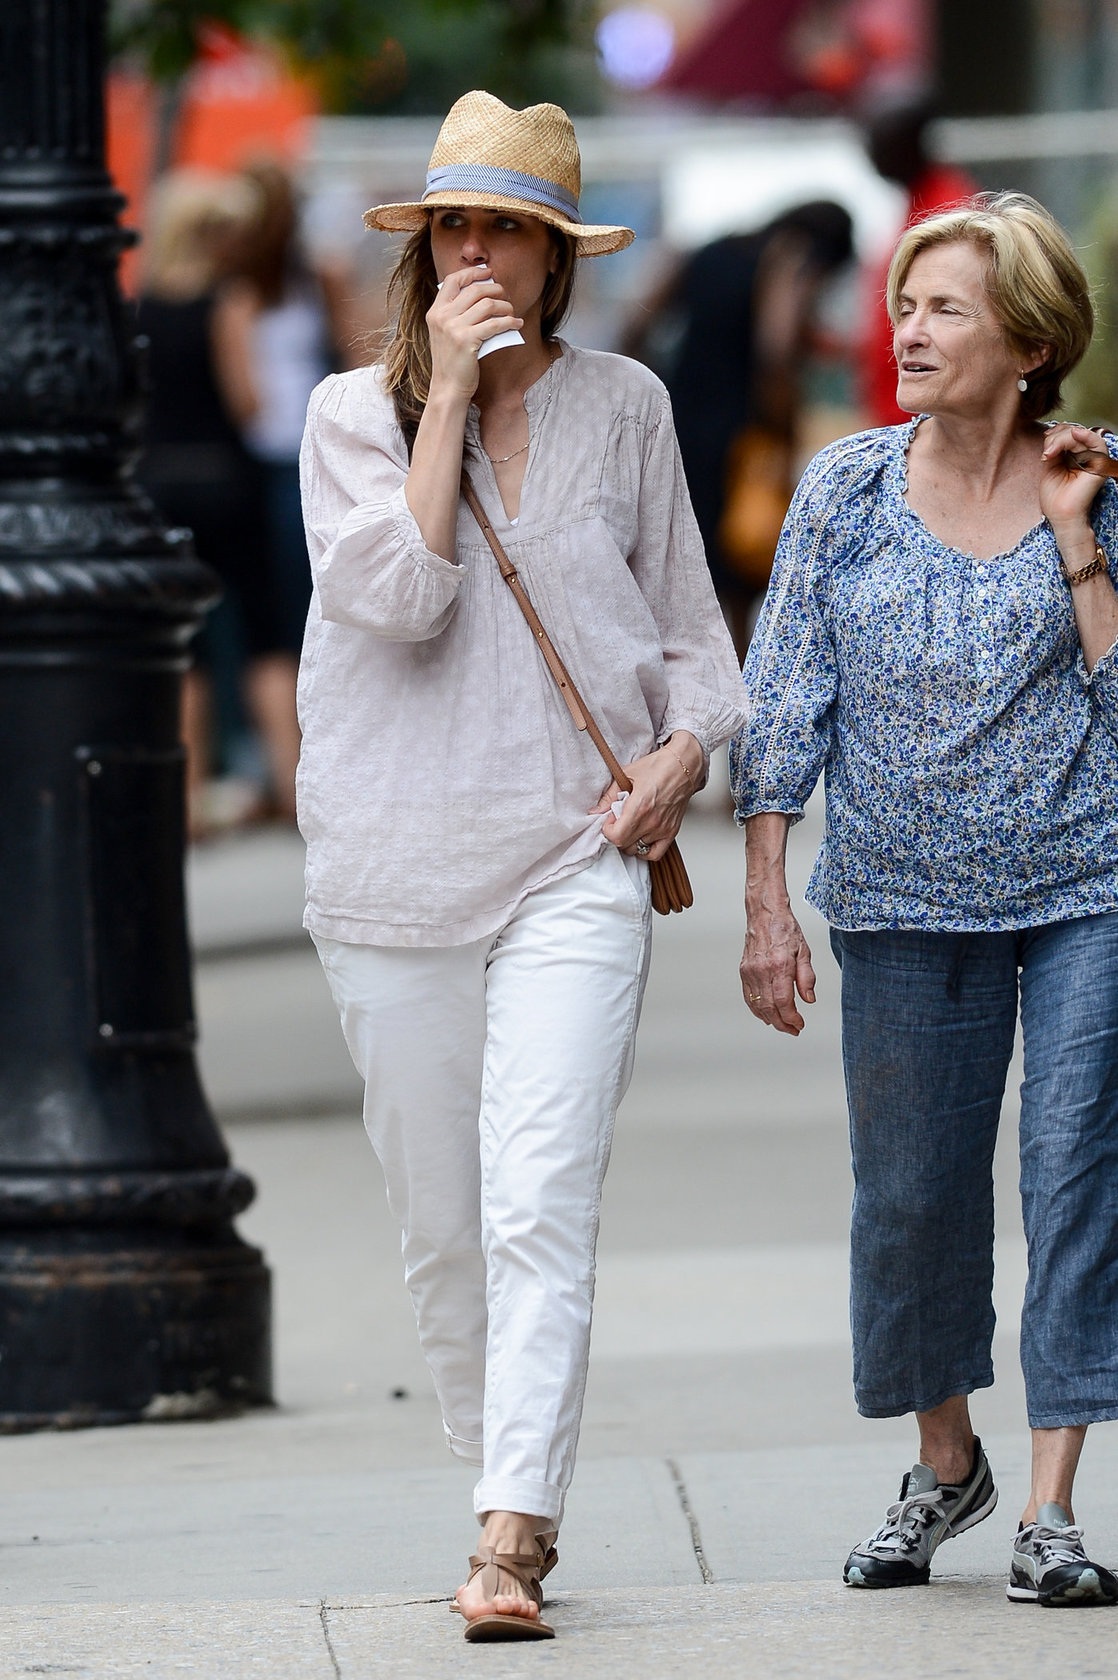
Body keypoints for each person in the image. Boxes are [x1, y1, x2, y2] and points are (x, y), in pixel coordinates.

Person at [297, 90, 745, 1641]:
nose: (477, 251)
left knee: (539, 1199)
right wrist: (442, 402)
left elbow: (694, 638)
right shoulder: (348, 418)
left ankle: (514, 1532)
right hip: (392, 872)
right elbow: (403, 601)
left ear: (559, 260)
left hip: (575, 853)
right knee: (444, 1231)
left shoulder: (627, 406)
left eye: (510, 231)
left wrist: (679, 759)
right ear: (421, 252)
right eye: (454, 228)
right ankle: (490, 1462)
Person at [732, 191, 1118, 1607]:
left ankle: (1051, 1510)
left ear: (1025, 339)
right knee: (908, 1201)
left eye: (943, 306)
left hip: (1085, 885)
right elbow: (780, 702)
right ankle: (943, 1463)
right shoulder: (842, 488)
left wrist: (1076, 535)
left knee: (1073, 1175)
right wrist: (766, 901)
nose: (906, 328)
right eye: (904, 304)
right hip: (895, 897)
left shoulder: (1099, 477)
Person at [623, 203, 854, 661]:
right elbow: (776, 347)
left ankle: (695, 677)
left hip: (682, 420)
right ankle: (745, 688)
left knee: (687, 559)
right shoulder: (788, 260)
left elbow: (636, 325)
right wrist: (783, 434)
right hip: (741, 434)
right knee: (743, 564)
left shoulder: (709, 250)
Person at [135, 169, 293, 835]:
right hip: (228, 481)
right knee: (265, 634)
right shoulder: (226, 304)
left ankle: (186, 802)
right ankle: (292, 788)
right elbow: (247, 402)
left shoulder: (136, 307)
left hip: (161, 487)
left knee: (184, 650)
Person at [859, 101, 977, 426]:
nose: (873, 158)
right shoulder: (918, 200)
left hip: (926, 416)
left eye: (882, 146)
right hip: (900, 410)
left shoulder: (950, 212)